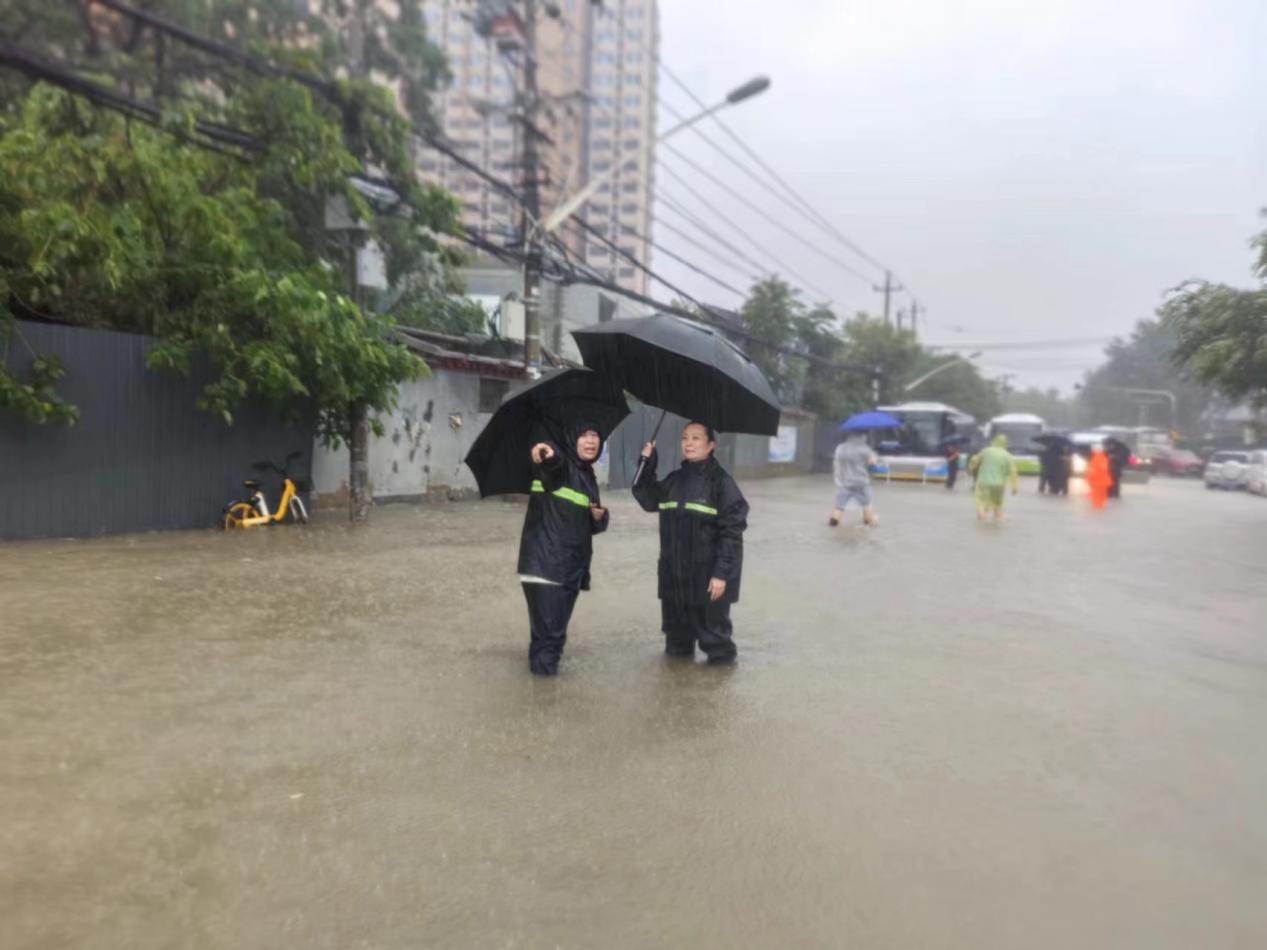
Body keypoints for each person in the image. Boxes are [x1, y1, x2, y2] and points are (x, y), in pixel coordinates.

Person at [632, 422, 749, 664]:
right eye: (685, 438)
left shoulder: (721, 483)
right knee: (676, 647)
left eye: (696, 438)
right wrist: (647, 462)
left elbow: (732, 534)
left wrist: (721, 574)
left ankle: (717, 688)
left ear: (711, 445)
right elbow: (647, 498)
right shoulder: (673, 481)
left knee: (717, 646)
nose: (689, 443)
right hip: (674, 579)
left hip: (707, 580)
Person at [517, 423, 609, 676]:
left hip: (560, 568)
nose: (591, 441)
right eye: (584, 435)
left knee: (546, 638)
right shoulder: (563, 465)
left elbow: (586, 526)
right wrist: (546, 451)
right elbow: (552, 464)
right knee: (550, 642)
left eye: (595, 435)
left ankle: (538, 688)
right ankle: (543, 694)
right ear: (570, 438)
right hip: (550, 567)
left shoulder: (586, 475)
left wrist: (598, 516)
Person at [829, 432, 879, 526]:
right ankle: (868, 521)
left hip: (845, 481)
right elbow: (872, 463)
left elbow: (837, 462)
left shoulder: (841, 448)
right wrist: (873, 457)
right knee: (867, 504)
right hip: (861, 481)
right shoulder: (865, 449)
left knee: (840, 504)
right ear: (863, 436)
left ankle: (834, 522)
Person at [969, 434, 1019, 521]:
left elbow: (974, 460)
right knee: (998, 505)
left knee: (981, 503)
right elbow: (1013, 472)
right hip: (1000, 485)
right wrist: (1014, 487)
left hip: (984, 482)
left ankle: (982, 521)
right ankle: (997, 521)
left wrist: (971, 468)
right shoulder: (1007, 455)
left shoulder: (986, 451)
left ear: (994, 441)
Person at [1086, 444, 1112, 510]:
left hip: (1097, 479)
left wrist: (1090, 475)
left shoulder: (1098, 458)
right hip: (1101, 479)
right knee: (1102, 492)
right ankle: (1100, 503)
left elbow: (1097, 468)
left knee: (1098, 492)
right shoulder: (1102, 457)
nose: (1092, 451)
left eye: (1093, 450)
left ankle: (1098, 504)